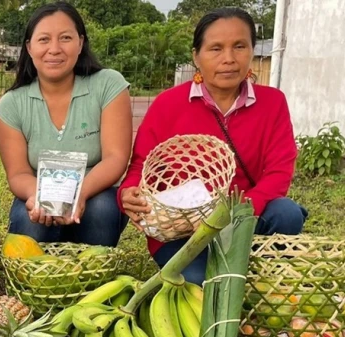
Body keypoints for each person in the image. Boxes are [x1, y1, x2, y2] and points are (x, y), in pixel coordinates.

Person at [118, 7, 307, 285]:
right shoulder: (168, 104)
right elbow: (140, 167)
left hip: (245, 221)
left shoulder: (272, 102)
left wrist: (228, 215)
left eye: (239, 46)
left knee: (286, 213)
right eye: (216, 48)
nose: (228, 58)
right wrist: (128, 193)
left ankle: (259, 275)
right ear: (196, 56)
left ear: (252, 50)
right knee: (201, 285)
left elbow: (279, 174)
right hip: (184, 231)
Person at [0, 2, 133, 247]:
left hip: (95, 192)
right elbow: (18, 174)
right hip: (40, 191)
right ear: (29, 47)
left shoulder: (108, 85)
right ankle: (37, 271)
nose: (54, 49)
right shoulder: (12, 104)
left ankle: (92, 268)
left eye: (65, 38)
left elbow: (115, 158)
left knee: (101, 210)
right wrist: (41, 197)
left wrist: (79, 195)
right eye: (44, 39)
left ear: (80, 43)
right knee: (28, 220)